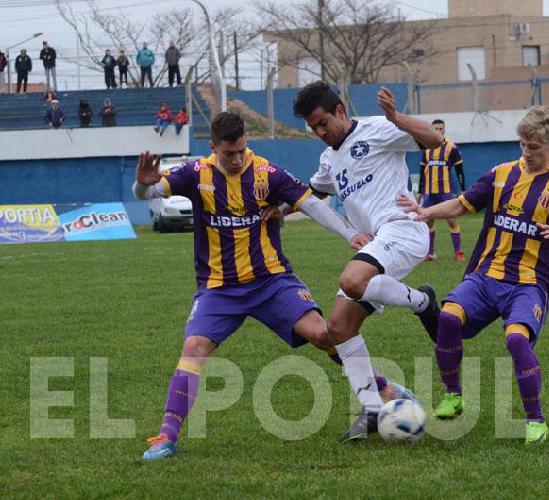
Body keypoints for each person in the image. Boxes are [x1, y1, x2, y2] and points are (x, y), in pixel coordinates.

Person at [132, 111, 414, 461]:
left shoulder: (267, 173)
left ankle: (386, 388)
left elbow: (310, 203)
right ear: (212, 148)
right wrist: (143, 184)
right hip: (219, 289)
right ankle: (165, 437)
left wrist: (348, 233)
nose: (235, 160)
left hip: (272, 282)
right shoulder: (196, 173)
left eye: (240, 151)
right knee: (194, 347)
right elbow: (148, 190)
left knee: (324, 335)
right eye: (227, 154)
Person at [396, 105, 549, 445]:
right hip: (486, 275)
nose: (527, 152)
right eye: (523, 145)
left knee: (516, 339)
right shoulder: (501, 174)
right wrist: (425, 211)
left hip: (530, 283)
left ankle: (535, 420)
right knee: (448, 317)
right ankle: (454, 394)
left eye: (534, 147)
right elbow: (462, 204)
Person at [293, 81, 444, 442]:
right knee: (338, 329)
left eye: (324, 122)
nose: (320, 131)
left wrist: (396, 117)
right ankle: (374, 409)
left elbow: (435, 140)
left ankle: (423, 302)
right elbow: (311, 191)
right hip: (378, 245)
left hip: (403, 230)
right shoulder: (329, 159)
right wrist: (277, 208)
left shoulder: (379, 128)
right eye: (313, 127)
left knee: (352, 279)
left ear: (341, 111)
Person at [418, 119, 466, 262]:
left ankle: (458, 252)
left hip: (445, 191)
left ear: (444, 130)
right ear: (431, 129)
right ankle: (430, 253)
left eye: (440, 128)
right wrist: (420, 191)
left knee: (451, 219)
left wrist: (463, 189)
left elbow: (460, 171)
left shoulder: (451, 147)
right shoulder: (426, 147)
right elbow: (422, 171)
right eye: (435, 129)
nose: (438, 131)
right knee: (428, 221)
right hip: (429, 191)